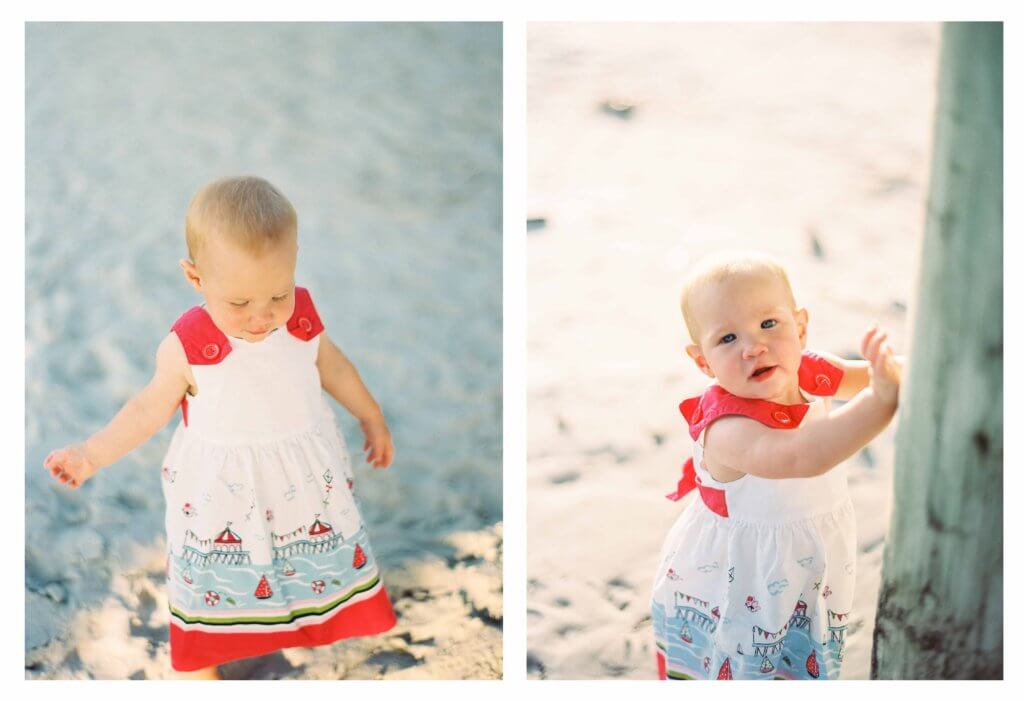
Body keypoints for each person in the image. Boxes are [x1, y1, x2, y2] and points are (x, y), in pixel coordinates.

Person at [43, 176, 398, 679]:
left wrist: (370, 414)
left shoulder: (299, 321)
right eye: (239, 303)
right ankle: (201, 664)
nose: (261, 316)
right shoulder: (188, 345)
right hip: (223, 493)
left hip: (300, 479)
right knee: (218, 576)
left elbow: (333, 368)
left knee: (305, 559)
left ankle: (309, 623)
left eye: (278, 293)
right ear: (196, 279)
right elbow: (147, 409)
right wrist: (91, 454)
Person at [651, 251, 902, 680]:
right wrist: (881, 401)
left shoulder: (808, 372)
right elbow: (801, 454)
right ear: (703, 361)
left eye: (769, 324)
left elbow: (874, 376)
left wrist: (899, 374)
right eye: (727, 339)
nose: (753, 347)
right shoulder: (727, 428)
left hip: (804, 560)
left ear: (800, 328)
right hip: (738, 579)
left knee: (796, 662)